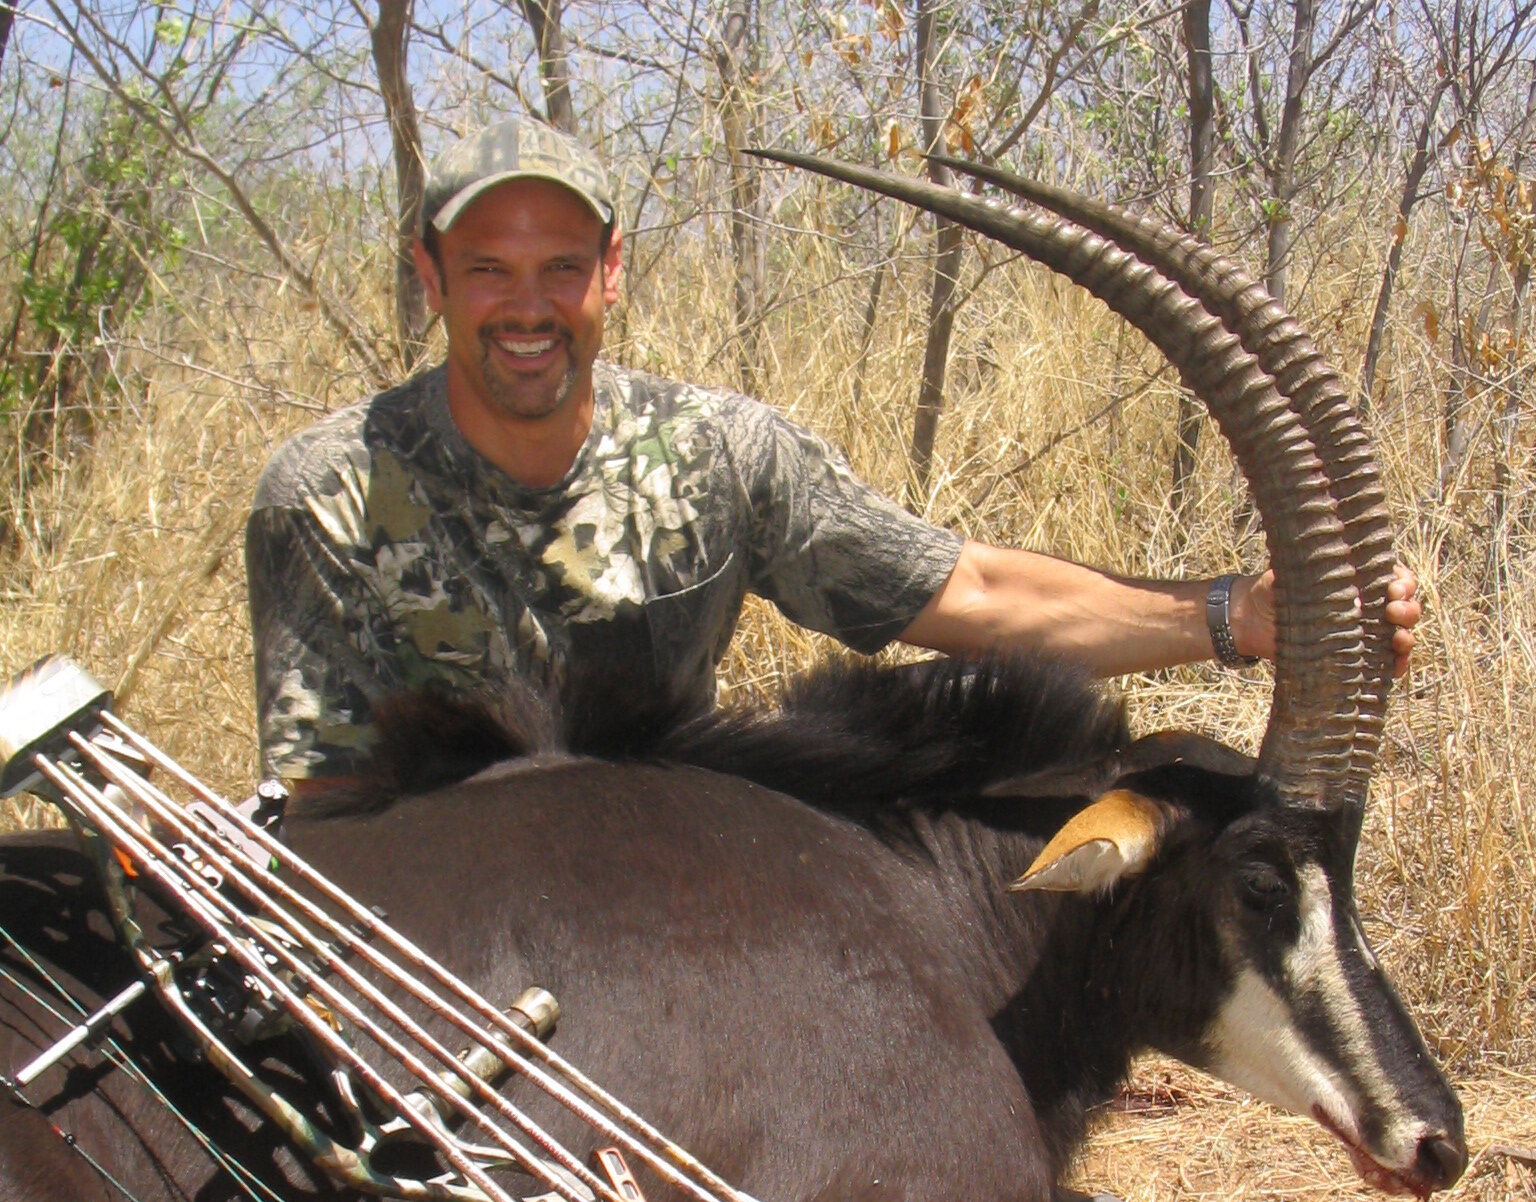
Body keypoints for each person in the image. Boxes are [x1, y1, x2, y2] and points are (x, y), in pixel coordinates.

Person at [246, 118, 1420, 800]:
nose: (527, 305)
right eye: (489, 269)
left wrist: (1237, 615)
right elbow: (327, 805)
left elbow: (970, 593)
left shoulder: (720, 453)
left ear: (612, 270)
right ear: (429, 273)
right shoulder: (328, 490)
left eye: (560, 266)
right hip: (444, 944)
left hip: (667, 890)